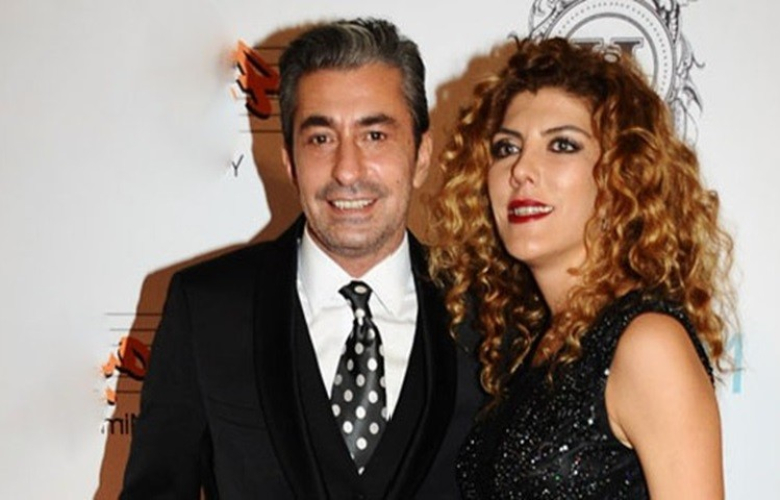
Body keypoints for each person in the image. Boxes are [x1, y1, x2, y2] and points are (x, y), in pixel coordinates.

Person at [121, 18, 484, 499]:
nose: (347, 170)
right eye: (321, 139)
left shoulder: (488, 308)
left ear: (420, 156)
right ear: (290, 162)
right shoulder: (207, 308)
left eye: (375, 135)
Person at [429, 37, 734, 499]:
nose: (521, 170)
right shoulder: (537, 346)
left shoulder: (647, 343)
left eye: (562, 145)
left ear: (621, 177)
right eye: (506, 147)